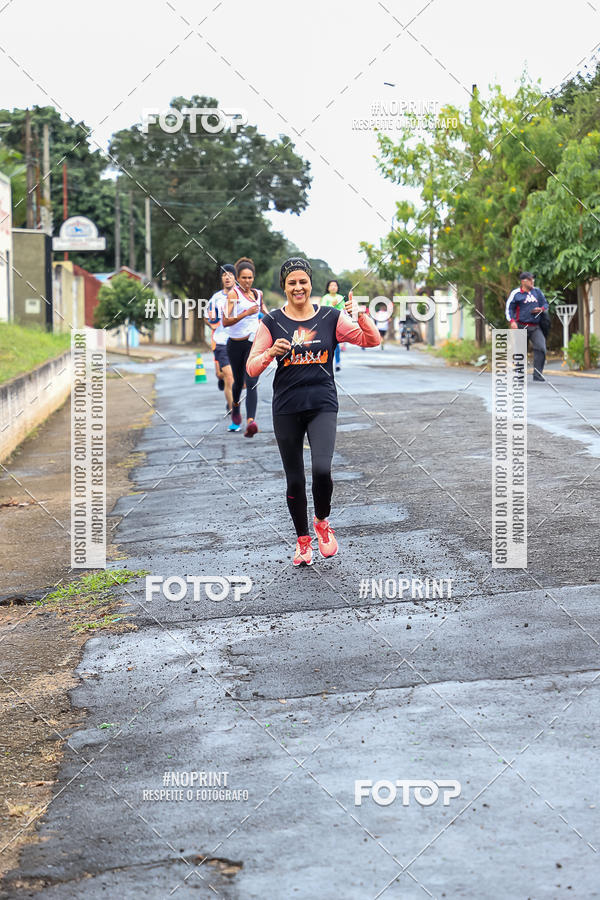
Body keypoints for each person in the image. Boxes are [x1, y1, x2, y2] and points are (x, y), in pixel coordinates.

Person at [247, 257, 381, 566]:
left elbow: (371, 340)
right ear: (284, 287)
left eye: (303, 281)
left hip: (322, 404)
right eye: (291, 282)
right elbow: (251, 368)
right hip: (287, 409)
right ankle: (303, 541)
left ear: (310, 284)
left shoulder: (331, 317)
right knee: (295, 480)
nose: (298, 287)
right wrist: (270, 353)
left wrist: (361, 316)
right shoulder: (272, 322)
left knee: (322, 469)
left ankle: (322, 522)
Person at [222, 257, 262, 436]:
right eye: (244, 278)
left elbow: (266, 313)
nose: (247, 281)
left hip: (253, 343)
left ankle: (251, 422)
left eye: (250, 277)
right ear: (238, 278)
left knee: (252, 381)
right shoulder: (233, 295)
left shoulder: (258, 294)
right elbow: (225, 321)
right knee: (238, 383)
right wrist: (245, 313)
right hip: (235, 344)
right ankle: (236, 411)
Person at [506, 271, 549, 381]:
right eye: (530, 279)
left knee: (541, 348)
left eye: (532, 279)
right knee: (520, 351)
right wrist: (512, 321)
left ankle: (537, 375)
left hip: (535, 326)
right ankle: (519, 375)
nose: (532, 281)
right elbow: (509, 308)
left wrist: (541, 309)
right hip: (521, 326)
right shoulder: (516, 293)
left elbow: (545, 304)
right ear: (523, 282)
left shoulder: (537, 292)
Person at [207, 264, 235, 414]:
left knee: (240, 382)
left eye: (230, 274)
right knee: (228, 377)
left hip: (239, 342)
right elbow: (207, 317)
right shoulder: (216, 298)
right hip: (222, 343)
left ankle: (228, 390)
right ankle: (234, 411)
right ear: (221, 278)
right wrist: (212, 323)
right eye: (224, 275)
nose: (227, 277)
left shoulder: (241, 296)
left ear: (235, 278)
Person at [320, 279, 345, 371]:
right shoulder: (325, 298)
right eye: (331, 285)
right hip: (327, 324)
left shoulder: (340, 297)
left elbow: (343, 310)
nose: (333, 287)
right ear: (328, 288)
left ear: (337, 287)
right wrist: (332, 305)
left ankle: (338, 362)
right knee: (327, 344)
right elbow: (323, 310)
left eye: (335, 285)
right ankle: (326, 363)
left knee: (336, 344)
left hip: (337, 323)